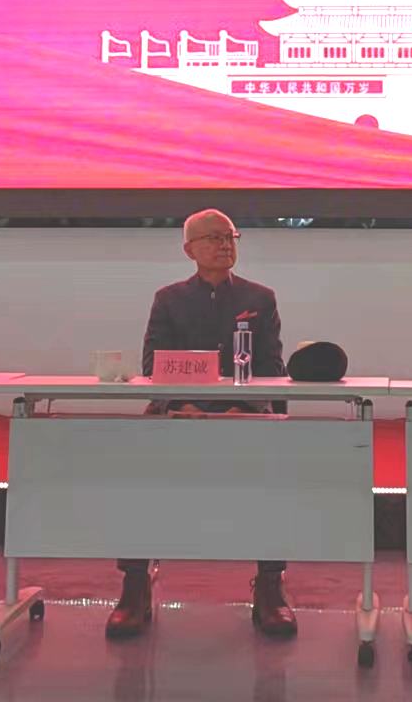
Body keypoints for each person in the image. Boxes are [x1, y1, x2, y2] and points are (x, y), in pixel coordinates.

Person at [105, 209, 296, 640]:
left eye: (230, 237)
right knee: (136, 473)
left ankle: (270, 585)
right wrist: (184, 403)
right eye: (213, 238)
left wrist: (244, 407)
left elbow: (270, 366)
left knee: (275, 476)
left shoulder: (260, 297)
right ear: (189, 250)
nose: (225, 245)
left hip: (244, 415)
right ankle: (134, 585)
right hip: (180, 414)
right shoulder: (168, 299)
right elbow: (154, 364)